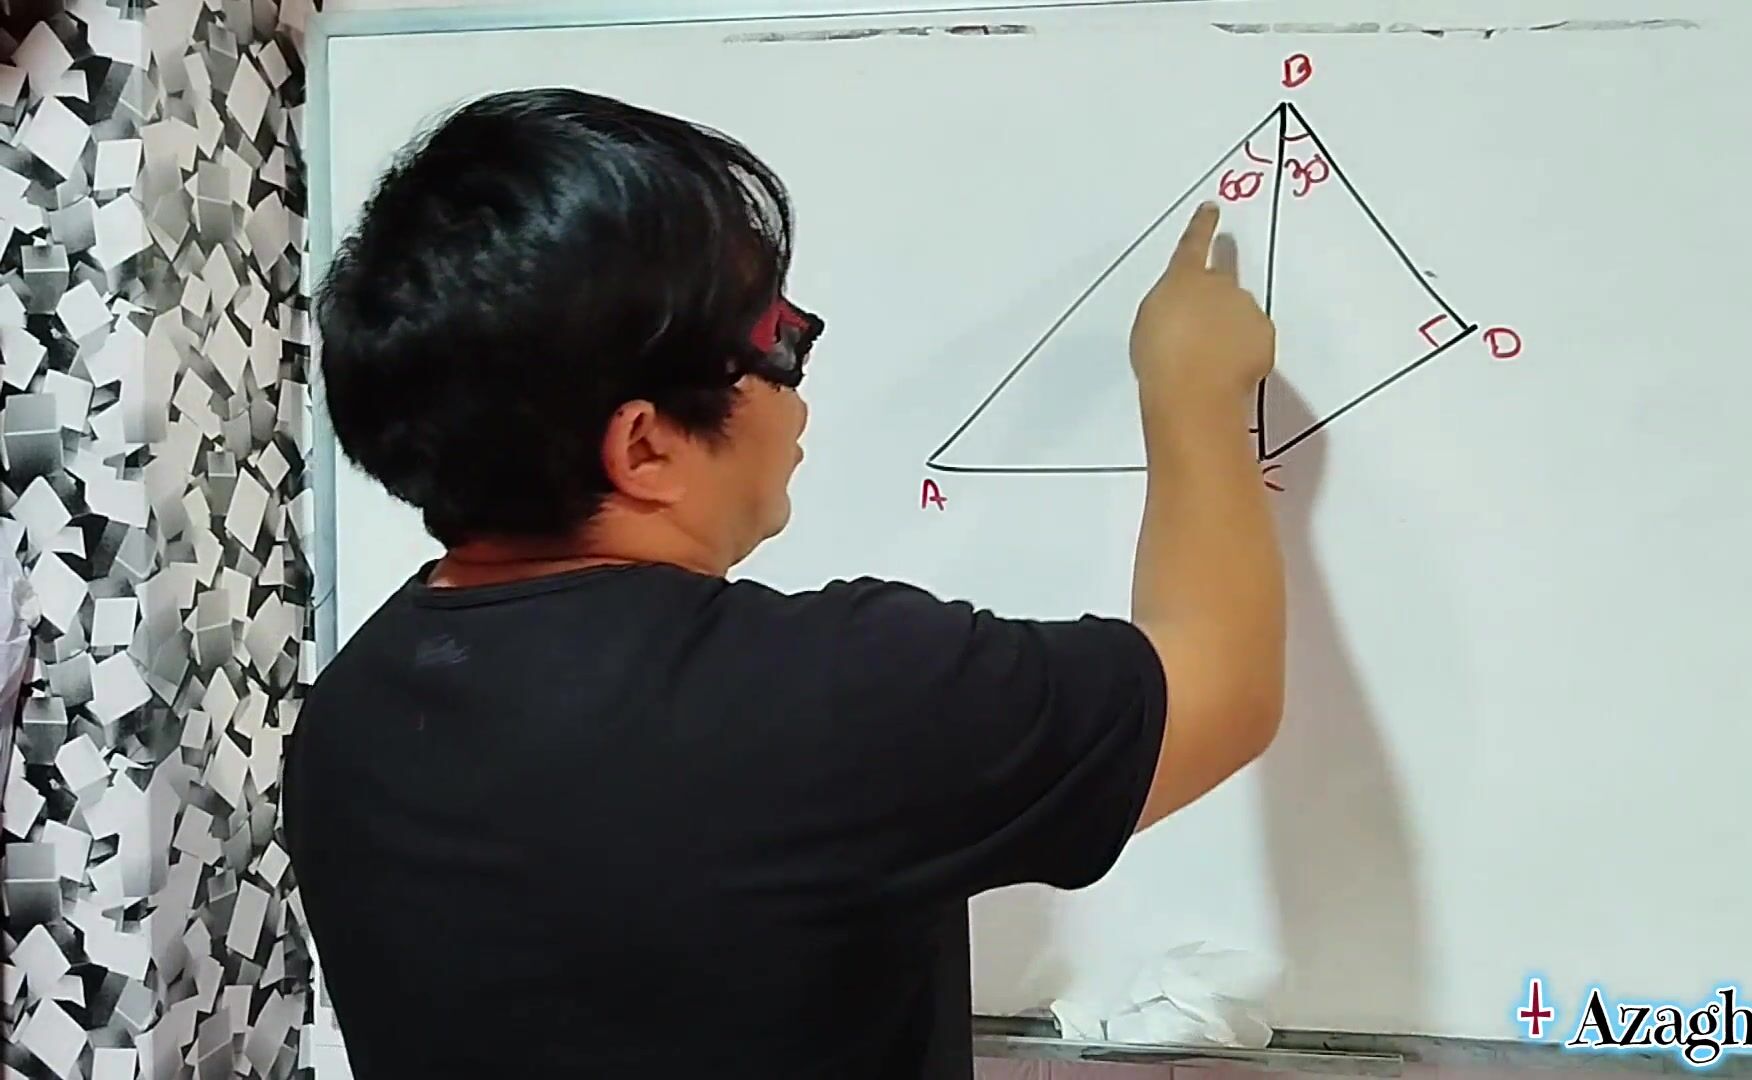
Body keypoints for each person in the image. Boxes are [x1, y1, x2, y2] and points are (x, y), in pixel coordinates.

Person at [283, 87, 1285, 1080]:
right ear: (645, 446)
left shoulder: (346, 723)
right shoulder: (830, 694)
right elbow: (1222, 684)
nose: (798, 373)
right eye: (775, 340)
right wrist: (1192, 389)